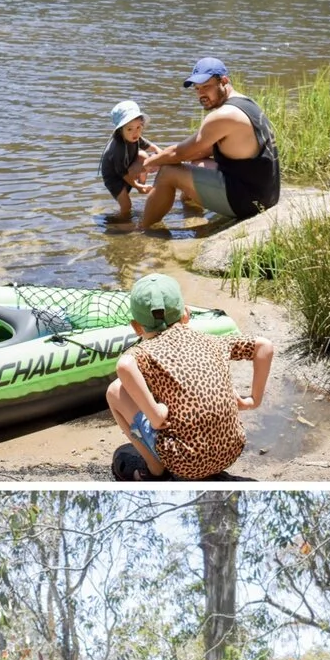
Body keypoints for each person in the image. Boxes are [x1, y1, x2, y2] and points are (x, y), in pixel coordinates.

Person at [106, 273, 275, 481]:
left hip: (186, 462)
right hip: (231, 450)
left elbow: (124, 365)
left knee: (115, 391)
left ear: (136, 327)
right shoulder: (212, 341)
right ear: (186, 314)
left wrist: (157, 415)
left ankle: (154, 468)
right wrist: (252, 401)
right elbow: (264, 346)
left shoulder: (144, 352)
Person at [138, 57, 282, 232]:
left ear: (224, 81)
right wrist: (162, 158)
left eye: (206, 87)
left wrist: (147, 164)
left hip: (251, 203)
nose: (201, 94)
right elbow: (202, 150)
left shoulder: (224, 115)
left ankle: (143, 231)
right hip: (265, 193)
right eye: (197, 89)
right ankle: (191, 216)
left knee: (168, 172)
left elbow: (179, 152)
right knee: (196, 164)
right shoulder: (246, 103)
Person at [100, 100, 161, 224]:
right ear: (120, 130)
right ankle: (119, 223)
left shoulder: (135, 136)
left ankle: (141, 182)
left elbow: (150, 146)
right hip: (115, 178)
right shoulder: (117, 149)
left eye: (139, 127)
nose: (135, 132)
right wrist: (137, 186)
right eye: (130, 129)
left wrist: (160, 153)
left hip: (127, 165)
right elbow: (122, 174)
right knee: (126, 205)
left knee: (143, 155)